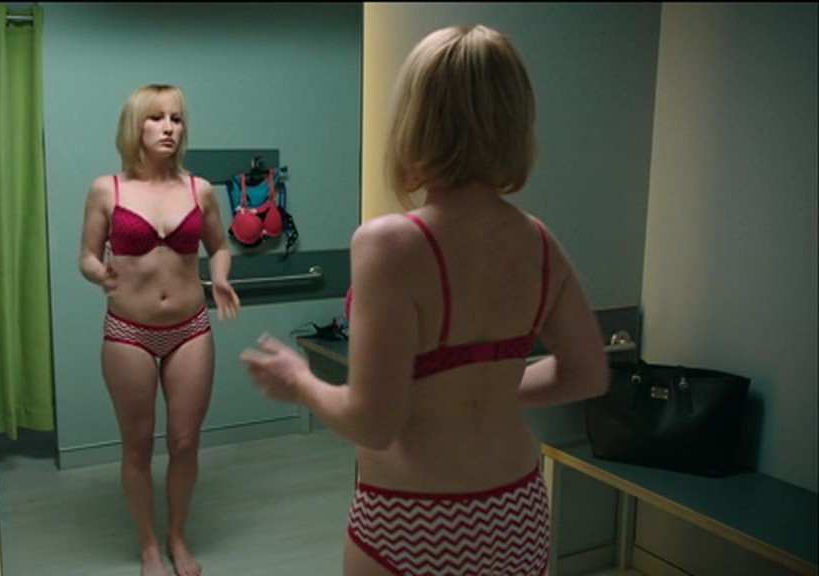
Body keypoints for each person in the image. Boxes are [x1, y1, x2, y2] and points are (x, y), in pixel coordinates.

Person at [240, 25, 608, 576]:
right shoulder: (538, 241)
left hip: (414, 516)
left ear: (416, 120)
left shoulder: (391, 244)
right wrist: (485, 389)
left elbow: (373, 424)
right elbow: (587, 374)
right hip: (517, 512)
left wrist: (300, 382)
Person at [80, 84, 240, 576]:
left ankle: (177, 535)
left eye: (176, 118)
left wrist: (220, 277)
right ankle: (149, 545)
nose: (169, 127)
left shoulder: (200, 190)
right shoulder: (107, 189)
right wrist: (98, 273)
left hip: (190, 328)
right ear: (136, 126)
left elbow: (219, 246)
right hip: (128, 331)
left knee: (185, 442)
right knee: (139, 445)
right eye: (156, 118)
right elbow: (87, 255)